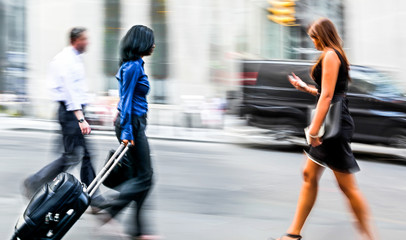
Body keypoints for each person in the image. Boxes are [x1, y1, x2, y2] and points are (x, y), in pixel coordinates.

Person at [275, 18, 376, 240]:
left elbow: (329, 96)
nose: (312, 42)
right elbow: (327, 92)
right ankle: (293, 234)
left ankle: (370, 237)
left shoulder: (330, 55)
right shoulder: (333, 54)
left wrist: (313, 130)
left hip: (333, 125)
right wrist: (305, 88)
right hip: (333, 120)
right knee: (309, 174)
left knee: (348, 187)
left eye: (313, 37)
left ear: (322, 35)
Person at [23, 27, 104, 209]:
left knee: (84, 155)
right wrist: (80, 118)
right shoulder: (65, 60)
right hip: (70, 113)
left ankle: (92, 196)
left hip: (74, 112)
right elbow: (70, 92)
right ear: (75, 40)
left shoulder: (75, 58)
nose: (87, 42)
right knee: (72, 157)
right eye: (85, 39)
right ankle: (34, 181)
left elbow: (79, 90)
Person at [97, 25, 156, 240]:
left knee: (140, 177)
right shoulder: (133, 67)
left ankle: (138, 231)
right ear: (141, 43)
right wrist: (127, 131)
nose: (154, 45)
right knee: (146, 177)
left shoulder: (135, 65)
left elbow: (124, 98)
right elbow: (128, 99)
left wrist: (120, 117)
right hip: (132, 125)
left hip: (131, 122)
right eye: (150, 41)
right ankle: (111, 209)